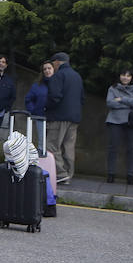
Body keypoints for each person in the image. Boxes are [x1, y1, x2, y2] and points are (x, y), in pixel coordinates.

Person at [45, 52, 85, 187]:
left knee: (51, 145)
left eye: (53, 64)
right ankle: (68, 174)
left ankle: (61, 174)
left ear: (57, 62)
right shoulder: (77, 76)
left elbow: (54, 96)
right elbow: (82, 98)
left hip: (59, 116)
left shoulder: (58, 76)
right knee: (69, 147)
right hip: (74, 117)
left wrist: (47, 108)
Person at [105, 69, 133, 184]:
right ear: (119, 76)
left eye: (128, 76)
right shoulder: (113, 88)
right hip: (115, 121)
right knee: (113, 148)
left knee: (131, 148)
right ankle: (111, 173)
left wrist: (121, 99)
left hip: (132, 121)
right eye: (123, 75)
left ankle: (130, 175)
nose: (125, 78)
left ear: (132, 77)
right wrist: (129, 103)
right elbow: (110, 103)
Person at [25, 61, 54, 136]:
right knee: (42, 143)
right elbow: (28, 99)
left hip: (55, 119)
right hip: (41, 117)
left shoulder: (60, 85)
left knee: (53, 145)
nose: (47, 70)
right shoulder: (37, 86)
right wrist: (34, 111)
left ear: (54, 69)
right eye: (44, 69)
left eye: (49, 68)